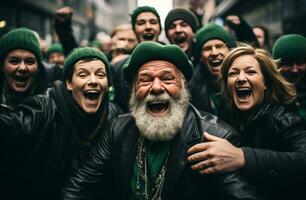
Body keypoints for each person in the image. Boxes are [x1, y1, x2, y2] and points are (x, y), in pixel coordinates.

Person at [62, 42, 262, 200]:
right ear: (134, 91)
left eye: (167, 78)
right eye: (146, 80)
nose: (156, 87)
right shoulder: (119, 128)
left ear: (183, 88)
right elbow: (81, 184)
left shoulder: (213, 136)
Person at [0, 47, 122, 200]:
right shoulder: (44, 108)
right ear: (69, 83)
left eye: (100, 74)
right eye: (83, 74)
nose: (93, 81)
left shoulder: (115, 116)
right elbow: (11, 126)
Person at [188, 44, 306, 200]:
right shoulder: (226, 114)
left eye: (250, 72)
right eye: (233, 73)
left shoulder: (284, 119)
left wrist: (243, 157)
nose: (241, 78)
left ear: (265, 83)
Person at [111, 6, 163, 112]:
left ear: (160, 29)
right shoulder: (118, 67)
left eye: (153, 22)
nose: (148, 27)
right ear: (134, 30)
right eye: (141, 23)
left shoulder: (176, 61)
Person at [0, 27, 61, 110]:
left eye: (29, 61)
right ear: (2, 66)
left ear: (38, 67)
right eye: (14, 61)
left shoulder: (53, 96)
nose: (22, 68)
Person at [188, 23, 234, 116]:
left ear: (230, 50)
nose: (214, 53)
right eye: (207, 48)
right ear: (200, 57)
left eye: (219, 46)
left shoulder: (243, 80)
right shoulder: (192, 89)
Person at [272, 34, 306, 120]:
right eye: (288, 64)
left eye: (300, 63)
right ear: (277, 66)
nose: (295, 70)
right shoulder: (270, 94)